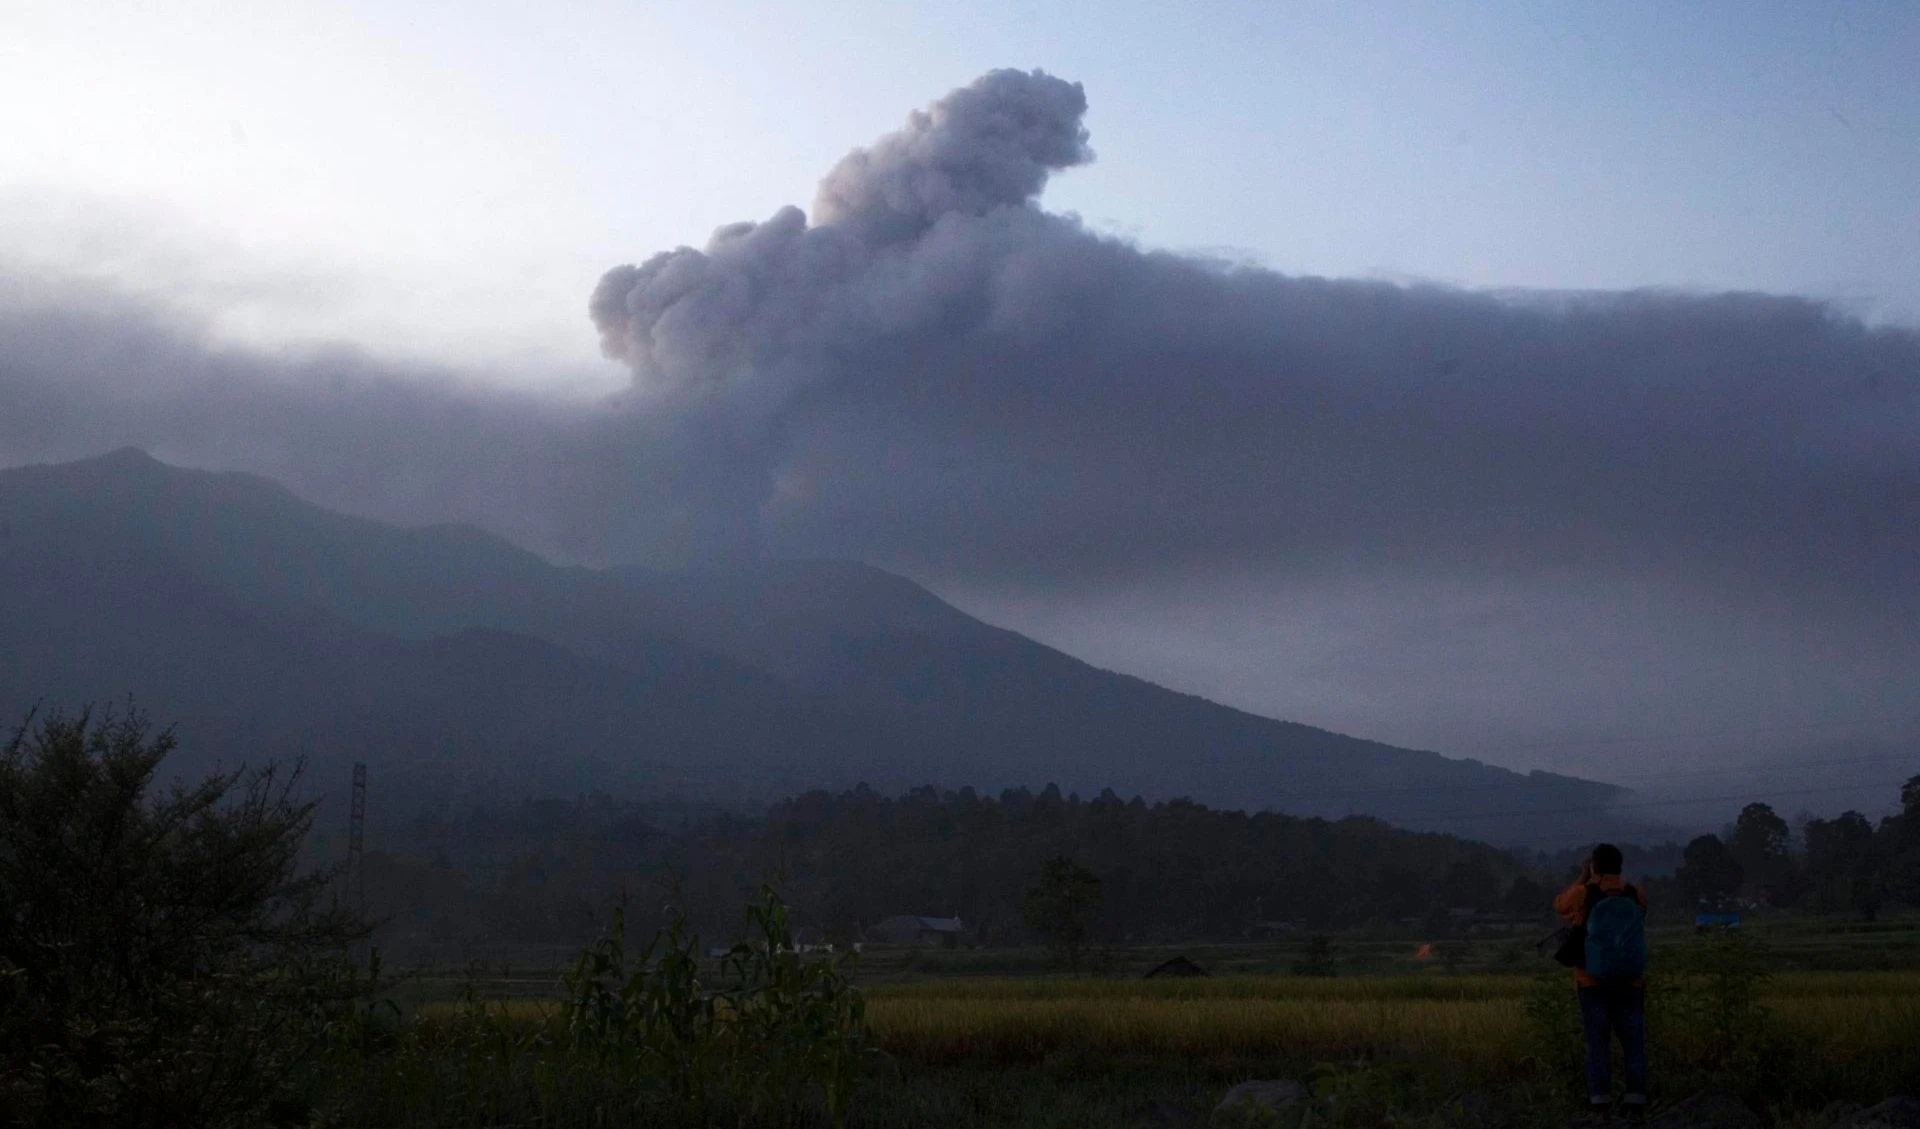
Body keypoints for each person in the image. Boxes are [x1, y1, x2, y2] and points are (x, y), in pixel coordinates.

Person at [1553, 843, 1649, 1119]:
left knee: (1597, 1043)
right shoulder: (1636, 895)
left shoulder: (1584, 893)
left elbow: (1559, 905)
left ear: (1594, 866)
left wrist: (1583, 877)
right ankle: (1636, 1101)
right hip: (1630, 981)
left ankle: (1600, 1103)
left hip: (1591, 979)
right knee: (1632, 1043)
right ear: (1620, 866)